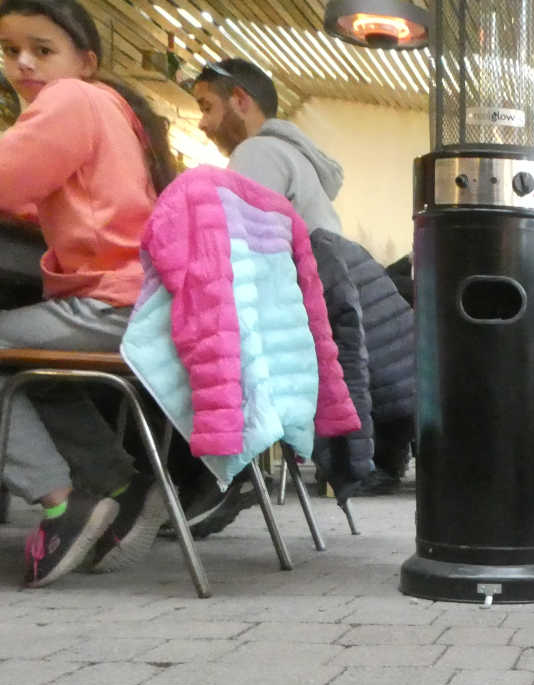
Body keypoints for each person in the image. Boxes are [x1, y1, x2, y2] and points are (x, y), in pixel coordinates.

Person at [0, 0, 173, 586]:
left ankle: (58, 500)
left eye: (41, 50)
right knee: (34, 371)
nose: (22, 63)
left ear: (86, 60)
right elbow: (36, 194)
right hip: (138, 303)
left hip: (109, 300)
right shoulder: (115, 110)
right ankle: (116, 486)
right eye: (9, 50)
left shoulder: (69, 98)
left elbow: (6, 175)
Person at [189, 58, 344, 235]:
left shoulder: (257, 152)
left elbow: (243, 246)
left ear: (239, 100)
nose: (201, 124)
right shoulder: (289, 156)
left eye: (207, 108)